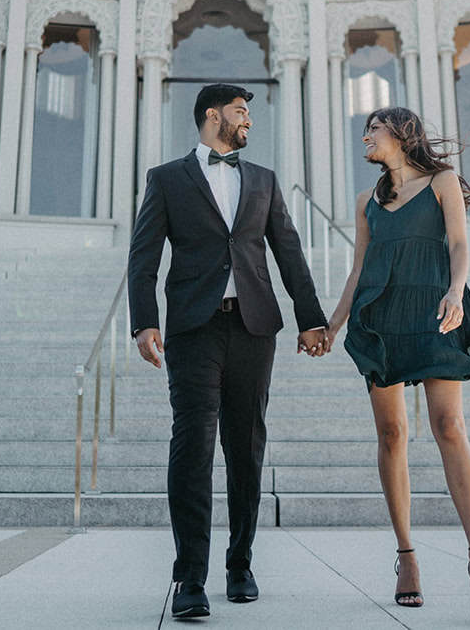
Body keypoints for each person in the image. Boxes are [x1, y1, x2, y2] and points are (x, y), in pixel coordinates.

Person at [127, 83, 330, 620]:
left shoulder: (262, 179)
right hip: (193, 330)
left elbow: (289, 252)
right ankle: (189, 576)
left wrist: (311, 320)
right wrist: (143, 320)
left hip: (254, 328)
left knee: (246, 448)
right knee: (192, 447)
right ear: (212, 116)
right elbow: (143, 256)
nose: (248, 122)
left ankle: (240, 563)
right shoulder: (167, 179)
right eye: (241, 112)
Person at [319, 105, 470, 612]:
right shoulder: (367, 202)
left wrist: (457, 292)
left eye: (373, 128)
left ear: (401, 133)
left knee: (449, 427)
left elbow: (461, 243)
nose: (365, 136)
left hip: (434, 310)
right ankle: (407, 557)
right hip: (379, 319)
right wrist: (333, 326)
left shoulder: (443, 181)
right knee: (392, 434)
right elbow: (359, 271)